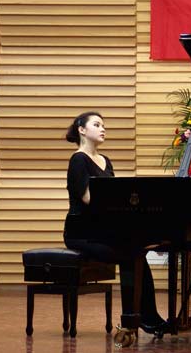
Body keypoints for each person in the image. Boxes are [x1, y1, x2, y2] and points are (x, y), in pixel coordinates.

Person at [63, 111, 165, 333]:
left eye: (103, 125)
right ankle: (134, 318)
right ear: (82, 130)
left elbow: (113, 200)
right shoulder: (78, 160)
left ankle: (147, 316)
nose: (103, 129)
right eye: (97, 125)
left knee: (137, 251)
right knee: (130, 253)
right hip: (82, 233)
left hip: (102, 229)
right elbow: (89, 199)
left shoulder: (105, 160)